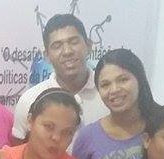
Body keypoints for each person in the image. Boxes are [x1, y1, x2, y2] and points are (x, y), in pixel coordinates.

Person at [11, 14, 108, 146]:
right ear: (46, 55)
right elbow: (19, 152)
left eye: (74, 42)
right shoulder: (30, 100)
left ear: (88, 45)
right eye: (57, 46)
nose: (67, 51)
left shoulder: (109, 93)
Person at [71, 48, 159, 159]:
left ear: (140, 80)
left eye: (123, 80)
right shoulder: (88, 136)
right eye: (105, 85)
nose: (114, 90)